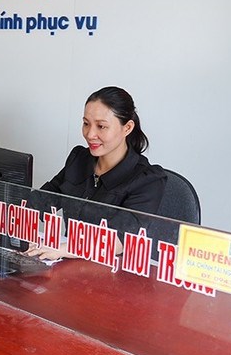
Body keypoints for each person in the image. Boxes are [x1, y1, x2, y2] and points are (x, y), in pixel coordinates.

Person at [27, 86, 166, 259]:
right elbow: (42, 201)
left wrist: (61, 249)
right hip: (67, 263)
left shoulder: (148, 180)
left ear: (127, 128)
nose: (90, 134)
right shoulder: (79, 159)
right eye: (86, 124)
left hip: (112, 269)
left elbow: (119, 240)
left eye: (101, 126)